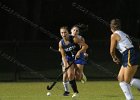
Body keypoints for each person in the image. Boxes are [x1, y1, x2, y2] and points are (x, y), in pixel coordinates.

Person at [110, 18, 140, 100]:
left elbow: (112, 50)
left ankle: (130, 99)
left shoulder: (114, 35)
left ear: (111, 27)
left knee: (127, 80)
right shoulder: (122, 33)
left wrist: (114, 57)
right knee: (120, 78)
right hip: (129, 54)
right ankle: (129, 98)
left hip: (129, 54)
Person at [59, 26, 88, 98]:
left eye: (65, 32)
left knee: (78, 77)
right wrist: (65, 64)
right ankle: (75, 92)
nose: (63, 34)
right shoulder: (61, 43)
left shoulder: (74, 39)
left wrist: (79, 52)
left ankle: (81, 75)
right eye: (62, 33)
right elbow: (63, 56)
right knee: (70, 75)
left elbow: (85, 46)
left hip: (78, 56)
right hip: (69, 58)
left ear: (68, 32)